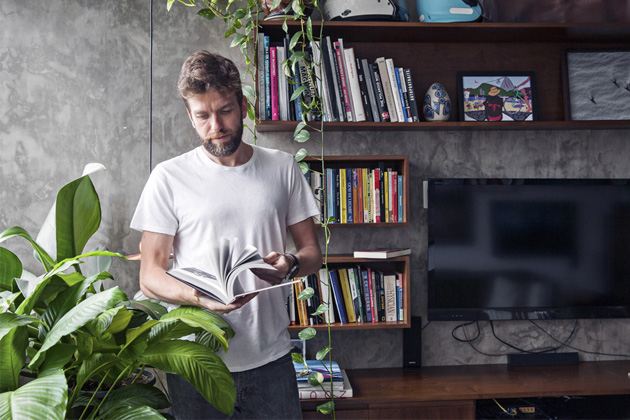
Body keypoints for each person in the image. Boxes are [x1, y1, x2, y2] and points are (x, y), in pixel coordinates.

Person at [130, 50, 322, 419]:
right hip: (197, 362)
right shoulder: (168, 177)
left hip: (271, 358)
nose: (215, 125)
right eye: (202, 115)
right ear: (190, 116)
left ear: (244, 106)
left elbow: (312, 251)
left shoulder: (281, 167)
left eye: (225, 111)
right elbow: (150, 276)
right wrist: (199, 298)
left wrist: (292, 263)